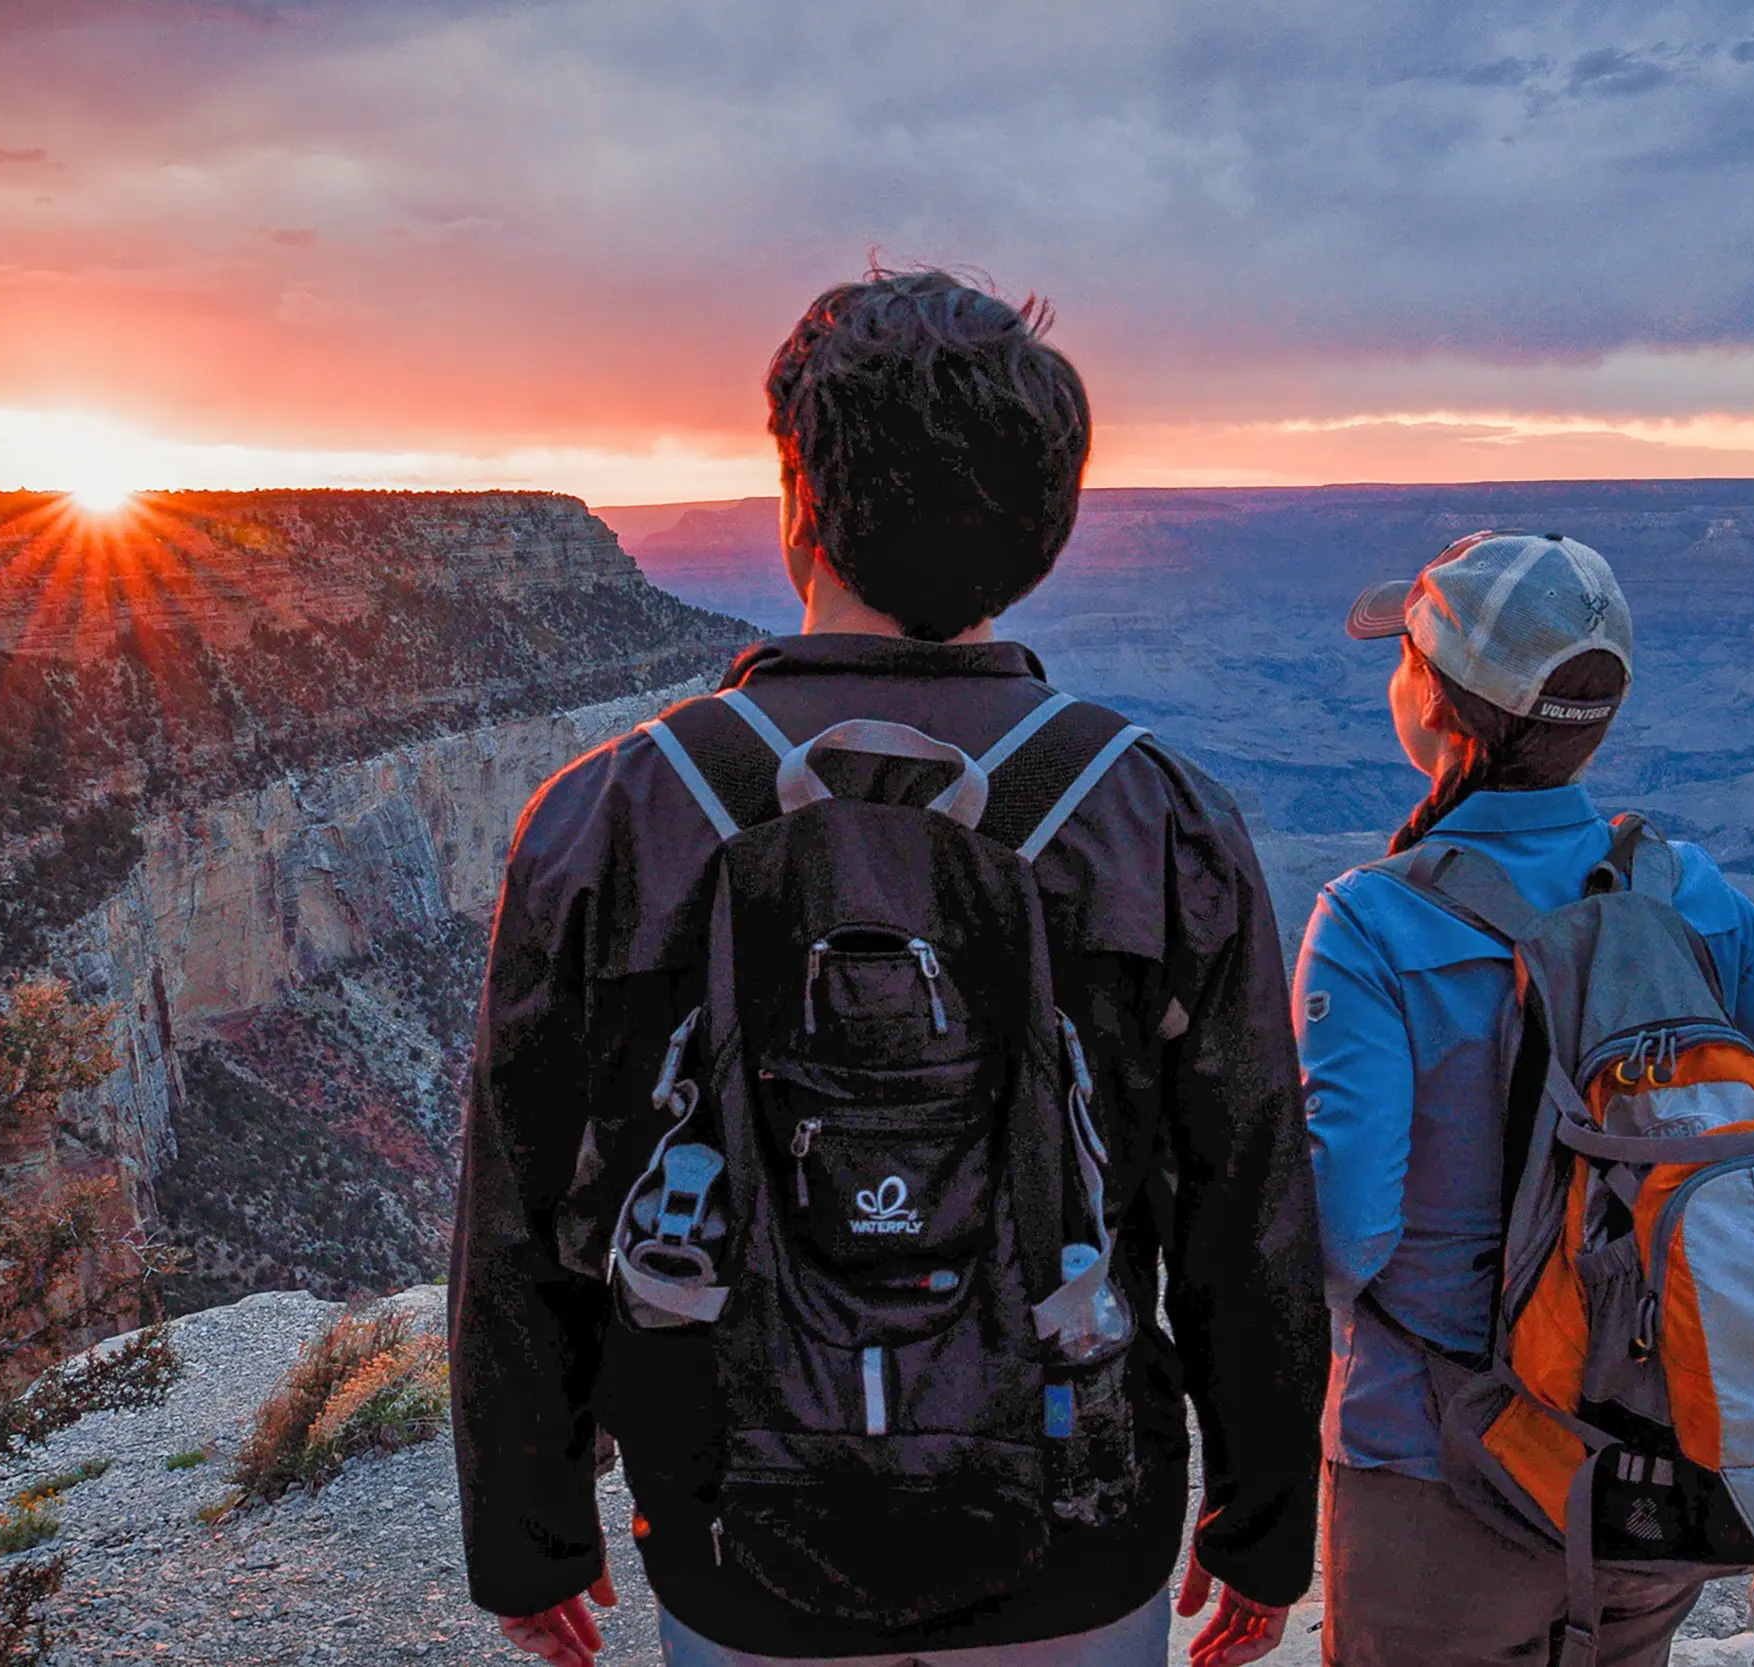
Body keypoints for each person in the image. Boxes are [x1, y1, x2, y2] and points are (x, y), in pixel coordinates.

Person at [451, 269, 1327, 1667]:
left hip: (741, 1533)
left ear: (799, 496)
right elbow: (1249, 1203)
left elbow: (523, 1193)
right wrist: (1262, 1520)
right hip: (1079, 1525)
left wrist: (528, 1523)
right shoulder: (1161, 816)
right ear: (1046, 531)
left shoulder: (611, 816)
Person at [1295, 531, 1754, 1667]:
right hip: (1645, 1461)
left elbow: (1348, 1233)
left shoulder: (1369, 921)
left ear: (1434, 701)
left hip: (1437, 1471)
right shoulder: (1687, 892)